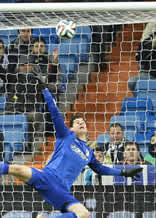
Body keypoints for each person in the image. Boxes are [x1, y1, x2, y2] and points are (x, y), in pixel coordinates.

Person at [0, 86, 143, 218]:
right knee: (16, 168)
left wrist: (124, 173)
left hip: (60, 190)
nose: (81, 123)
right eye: (77, 122)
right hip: (46, 176)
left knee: (83, 214)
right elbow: (55, 114)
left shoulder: (88, 152)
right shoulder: (65, 136)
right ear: (71, 128)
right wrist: (46, 91)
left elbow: (101, 169)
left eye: (83, 122)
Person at [128, 30, 156, 96]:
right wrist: (152, 47)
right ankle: (138, 99)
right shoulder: (146, 42)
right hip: (150, 75)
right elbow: (139, 59)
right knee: (132, 82)